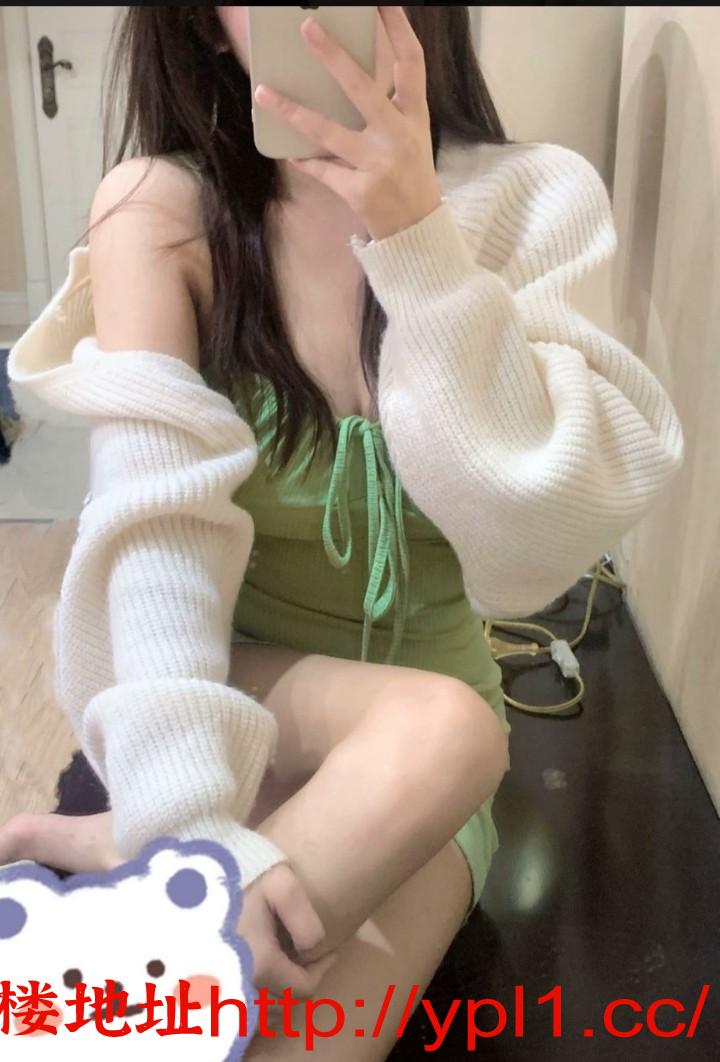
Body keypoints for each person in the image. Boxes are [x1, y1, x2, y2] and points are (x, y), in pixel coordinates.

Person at [2, 6, 684, 1058]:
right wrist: (185, 820)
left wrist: (417, 242)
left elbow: (530, 557)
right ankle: (156, 882)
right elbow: (156, 535)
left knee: (316, 1019)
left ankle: (128, 905)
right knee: (445, 730)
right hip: (226, 693)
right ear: (210, 28)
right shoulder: (159, 213)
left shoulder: (530, 200)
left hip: (419, 779)